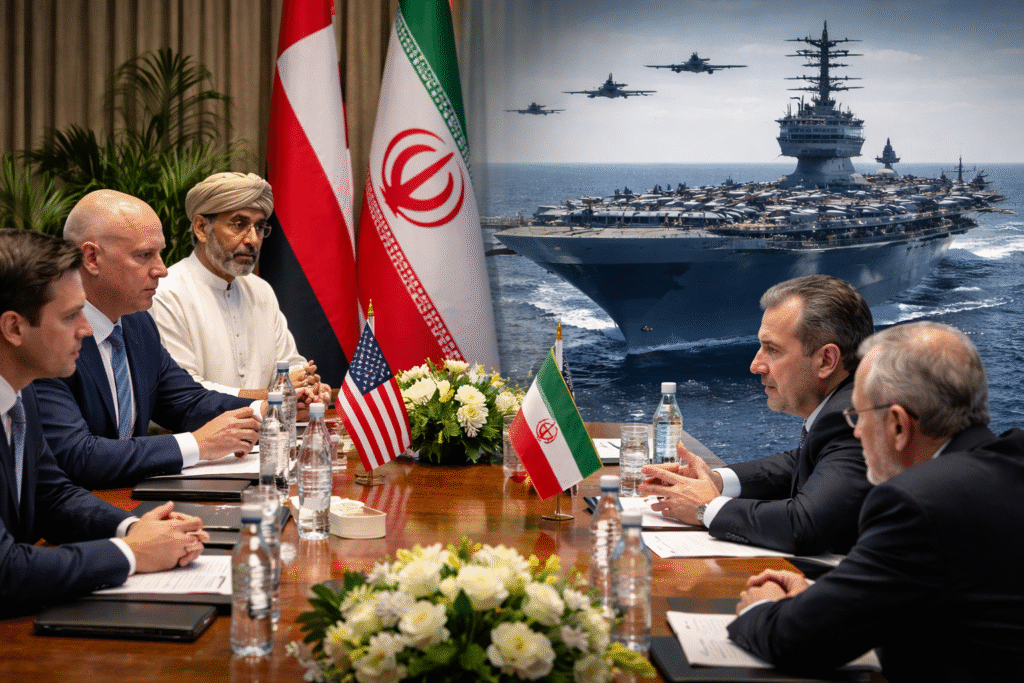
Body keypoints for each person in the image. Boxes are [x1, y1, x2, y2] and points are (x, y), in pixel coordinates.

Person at [728, 322, 1024, 682]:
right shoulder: (1008, 462)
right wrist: (827, 598)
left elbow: (796, 641)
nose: (855, 431)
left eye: (858, 415)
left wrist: (764, 605)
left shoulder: (917, 502)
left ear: (898, 425)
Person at [0, 228, 209, 618]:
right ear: (13, 328)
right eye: (70, 316)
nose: (86, 328)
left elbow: (52, 496)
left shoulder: (19, 390)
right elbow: (5, 571)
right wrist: (131, 553)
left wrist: (133, 528)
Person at [32, 190, 262, 490]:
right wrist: (197, 444)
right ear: (91, 258)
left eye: (159, 253)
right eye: (144, 255)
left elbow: (186, 402)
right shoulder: (47, 336)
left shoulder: (137, 322)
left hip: (130, 499)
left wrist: (268, 409)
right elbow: (78, 456)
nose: (162, 270)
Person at [639, 275, 874, 554]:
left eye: (772, 350)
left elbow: (805, 526)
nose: (755, 365)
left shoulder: (856, 419)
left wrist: (707, 508)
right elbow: (800, 463)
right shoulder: (848, 404)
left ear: (826, 360)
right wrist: (715, 481)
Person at [150, 172, 329, 402]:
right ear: (201, 228)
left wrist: (306, 386)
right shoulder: (167, 293)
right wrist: (273, 396)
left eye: (260, 227)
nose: (253, 239)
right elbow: (185, 392)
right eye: (239, 224)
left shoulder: (261, 291)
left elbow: (288, 363)